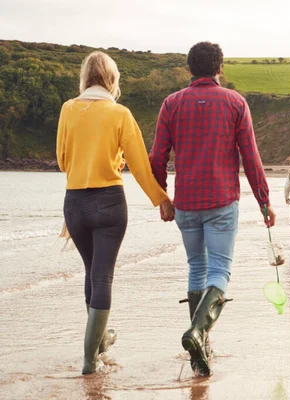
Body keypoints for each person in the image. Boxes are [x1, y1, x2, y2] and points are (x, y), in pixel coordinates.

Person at [149, 42, 274, 377]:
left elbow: (157, 157)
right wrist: (264, 201)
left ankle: (199, 351)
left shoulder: (171, 103)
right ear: (220, 68)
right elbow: (251, 158)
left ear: (190, 69)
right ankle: (198, 334)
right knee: (220, 271)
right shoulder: (235, 102)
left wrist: (162, 198)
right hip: (221, 200)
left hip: (186, 202)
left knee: (196, 268)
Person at [56, 51, 174, 375]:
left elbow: (64, 161)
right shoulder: (120, 113)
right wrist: (161, 199)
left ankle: (98, 342)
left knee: (92, 272)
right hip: (109, 202)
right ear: (112, 79)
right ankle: (88, 358)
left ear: (84, 78)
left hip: (76, 204)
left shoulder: (68, 109)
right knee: (102, 274)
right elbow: (139, 165)